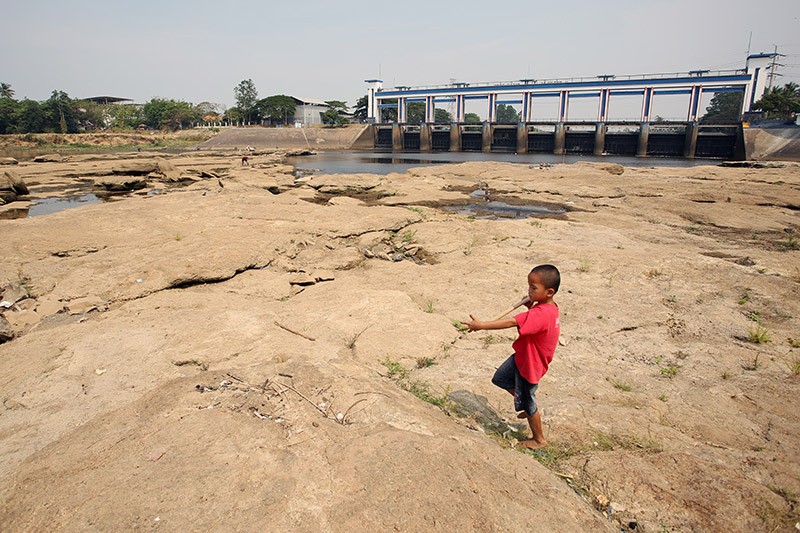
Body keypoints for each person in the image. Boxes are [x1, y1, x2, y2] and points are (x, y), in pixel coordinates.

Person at [463, 264, 561, 450]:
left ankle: (539, 439)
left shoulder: (541, 313)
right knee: (500, 378)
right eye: (529, 286)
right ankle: (523, 401)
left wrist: (482, 325)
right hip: (523, 356)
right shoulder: (547, 307)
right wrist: (531, 305)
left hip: (531, 363)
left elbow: (511, 322)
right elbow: (534, 319)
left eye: (534, 288)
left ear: (549, 292)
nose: (529, 291)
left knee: (529, 403)